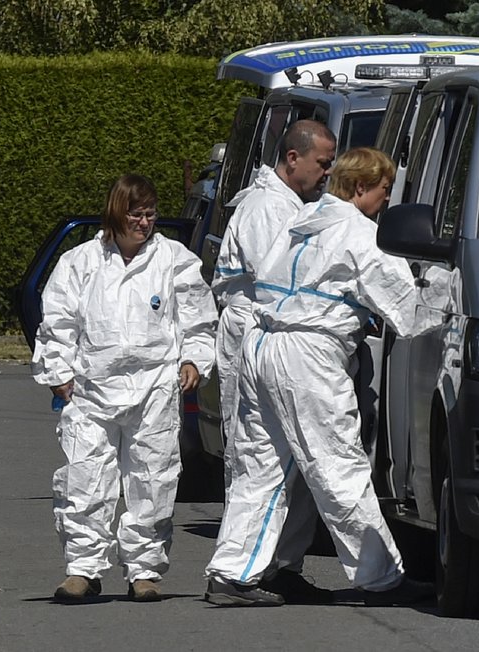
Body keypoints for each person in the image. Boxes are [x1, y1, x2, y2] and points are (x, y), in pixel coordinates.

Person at [203, 147, 434, 607]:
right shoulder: (362, 235)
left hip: (262, 343)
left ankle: (236, 571)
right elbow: (410, 312)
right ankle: (380, 577)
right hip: (308, 354)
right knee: (337, 465)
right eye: (385, 191)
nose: (387, 202)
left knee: (262, 466)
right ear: (363, 187)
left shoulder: (300, 222)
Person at [32, 173, 218, 603]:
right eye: (136, 213)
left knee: (153, 477)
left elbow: (197, 316)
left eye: (151, 214)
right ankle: (82, 569)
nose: (145, 222)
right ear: (117, 212)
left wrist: (192, 358)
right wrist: (59, 372)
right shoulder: (81, 262)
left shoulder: (174, 259)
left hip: (154, 385)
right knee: (85, 479)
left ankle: (144, 569)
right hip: (92, 387)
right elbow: (58, 321)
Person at [211, 119, 337, 603]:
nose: (327, 172)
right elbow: (278, 281)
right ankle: (241, 568)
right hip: (257, 336)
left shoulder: (291, 205)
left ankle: (282, 564)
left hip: (281, 336)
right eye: (322, 163)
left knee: (297, 462)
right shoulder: (267, 208)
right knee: (259, 460)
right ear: (292, 158)